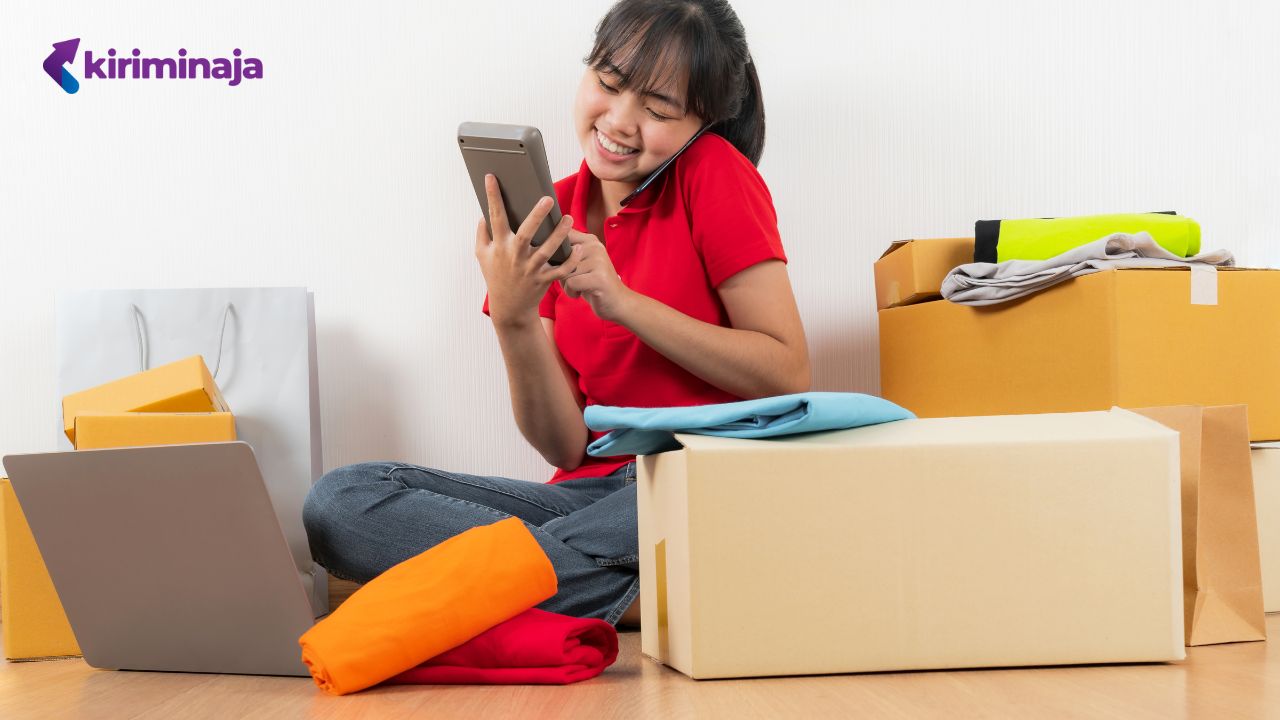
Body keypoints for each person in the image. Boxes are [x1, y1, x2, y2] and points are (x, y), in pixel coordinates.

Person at [302, 0, 809, 628]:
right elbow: (566, 445)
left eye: (658, 110)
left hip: (702, 480)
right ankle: (631, 596)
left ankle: (518, 587)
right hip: (588, 502)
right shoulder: (553, 212)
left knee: (624, 519)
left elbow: (786, 372)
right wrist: (512, 318)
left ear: (702, 123)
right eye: (608, 83)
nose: (619, 121)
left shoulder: (714, 174)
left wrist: (623, 302)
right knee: (340, 502)